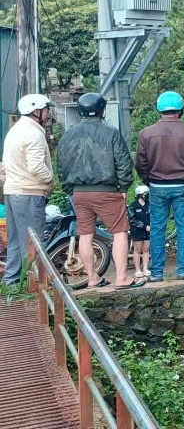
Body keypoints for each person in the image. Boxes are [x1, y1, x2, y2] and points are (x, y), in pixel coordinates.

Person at [56, 92, 140, 290]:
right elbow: (123, 163)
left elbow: (61, 166)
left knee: (85, 234)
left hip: (79, 193)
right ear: (102, 110)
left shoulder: (67, 136)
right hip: (107, 191)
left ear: (80, 111)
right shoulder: (111, 133)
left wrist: (70, 189)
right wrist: (124, 187)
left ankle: (92, 278)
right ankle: (121, 278)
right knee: (120, 232)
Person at [136, 91, 184, 282]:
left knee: (157, 228)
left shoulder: (146, 134)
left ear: (159, 110)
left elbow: (140, 164)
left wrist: (148, 180)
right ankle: (183, 271)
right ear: (181, 109)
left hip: (157, 186)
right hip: (183, 185)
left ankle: (156, 272)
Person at [3, 94, 56, 286]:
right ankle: (35, 285)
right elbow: (36, 167)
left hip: (13, 191)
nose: (48, 113)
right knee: (34, 243)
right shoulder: (33, 133)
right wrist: (51, 180)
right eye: (46, 109)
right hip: (29, 192)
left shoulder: (16, 129)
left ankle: (11, 283)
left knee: (16, 240)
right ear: (36, 111)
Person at [128, 186, 151, 279]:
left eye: (146, 193)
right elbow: (132, 220)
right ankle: (137, 270)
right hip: (137, 231)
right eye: (144, 194)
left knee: (146, 250)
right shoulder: (133, 206)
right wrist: (144, 226)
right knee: (137, 251)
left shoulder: (150, 204)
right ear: (139, 195)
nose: (146, 195)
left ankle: (145, 269)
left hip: (148, 231)